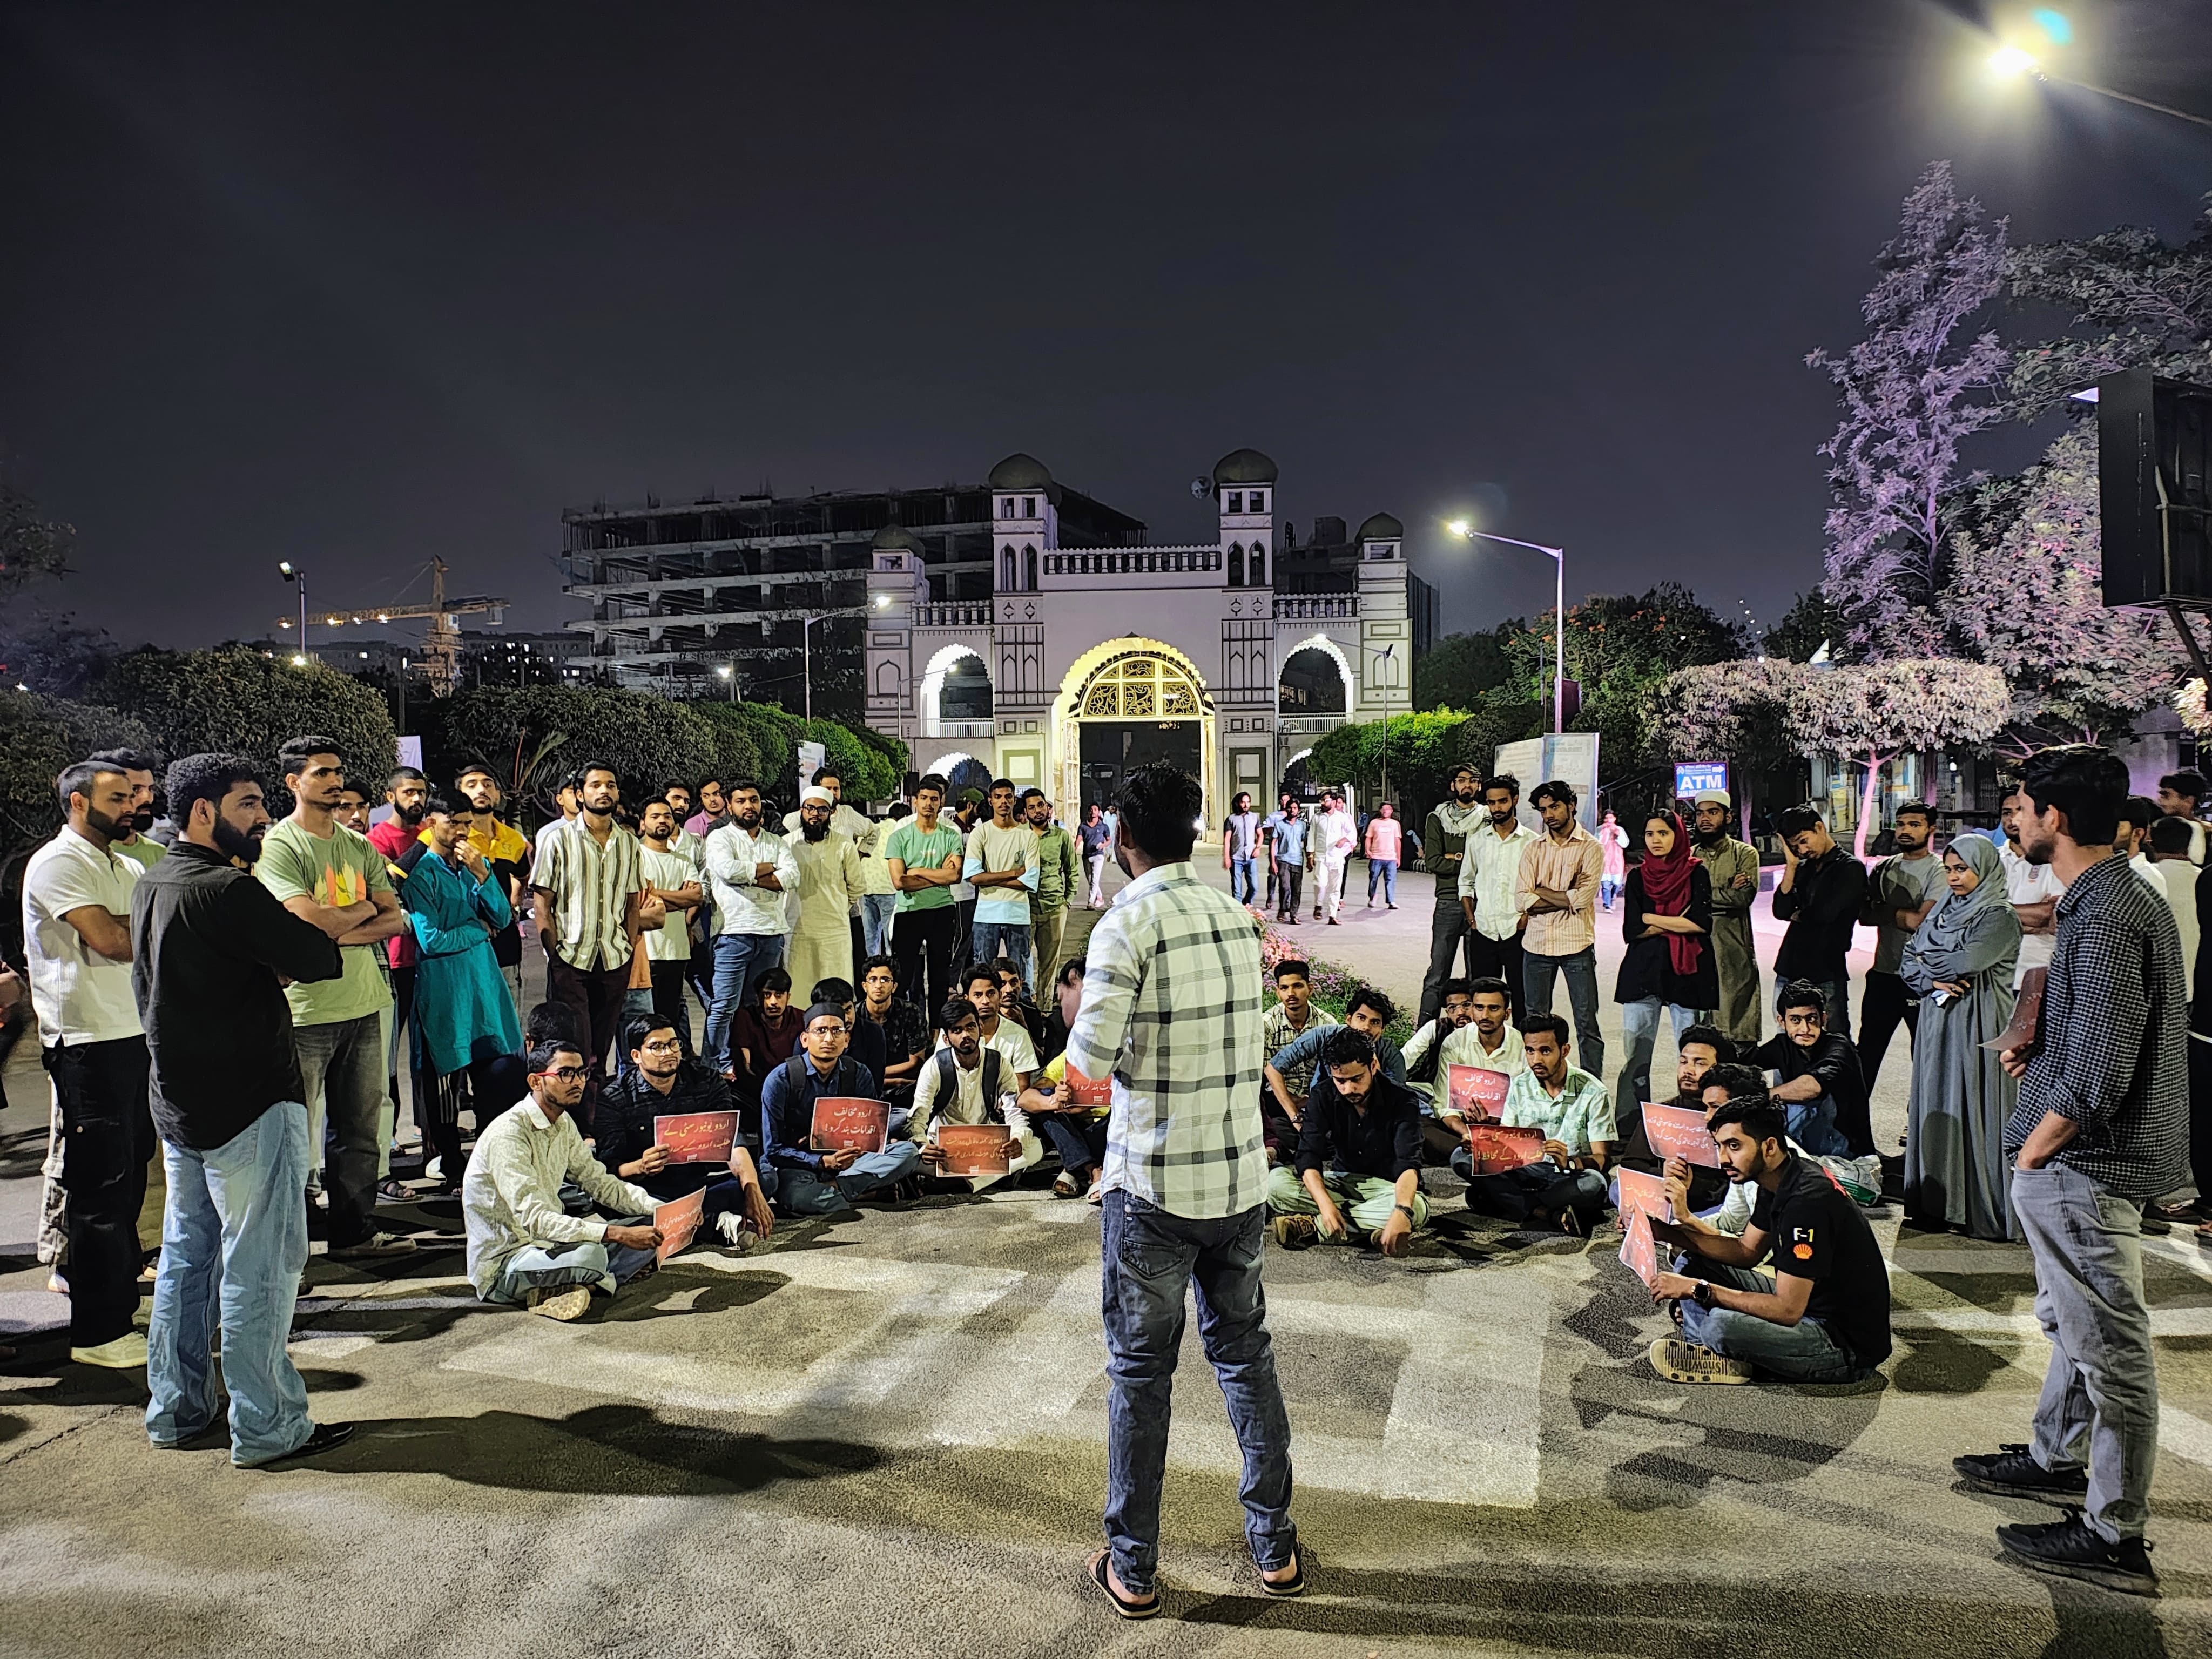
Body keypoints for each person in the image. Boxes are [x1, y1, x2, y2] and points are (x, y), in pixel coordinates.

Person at [1064, 762, 1299, 1615]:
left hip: (1156, 1185)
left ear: (1121, 838)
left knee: (1140, 1374)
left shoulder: (1127, 923)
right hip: (1238, 1177)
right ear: (1197, 833)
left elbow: (1086, 1066)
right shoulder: (1234, 916)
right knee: (1245, 1357)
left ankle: (1133, 1565)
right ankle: (1274, 1548)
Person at [1952, 745, 2186, 1597]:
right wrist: (2043, 1049)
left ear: (2054, 818)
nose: (2014, 820)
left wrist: (2038, 1141)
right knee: (2074, 1327)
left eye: (2020, 808)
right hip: (2084, 1151)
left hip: (2086, 1160)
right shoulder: (2104, 895)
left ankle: (2115, 1533)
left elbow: (2103, 1067)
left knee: (2110, 1350)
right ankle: (2058, 1458)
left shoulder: (2109, 910)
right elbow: (2097, 1029)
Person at [136, 753, 354, 1466]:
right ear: (205, 811)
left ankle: (177, 1409)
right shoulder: (229, 889)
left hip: (180, 1103)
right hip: (251, 1104)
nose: (262, 818)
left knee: (187, 1262)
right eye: (250, 804)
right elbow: (320, 955)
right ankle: (268, 1428)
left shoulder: (154, 883)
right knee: (260, 1267)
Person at [257, 738, 413, 1258]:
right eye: (322, 773)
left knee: (361, 1127)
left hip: (364, 1002)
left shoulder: (358, 845)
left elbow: (396, 918)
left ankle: (355, 1229)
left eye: (338, 772)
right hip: (304, 1011)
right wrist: (358, 914)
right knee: (293, 1132)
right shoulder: (281, 846)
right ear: (293, 783)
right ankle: (294, 1238)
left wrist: (333, 929)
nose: (334, 780)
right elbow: (305, 920)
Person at [23, 759, 154, 1366]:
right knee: (99, 1189)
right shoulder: (57, 863)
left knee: (128, 1182)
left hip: (133, 1035)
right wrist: (148, 925)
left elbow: (140, 930)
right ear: (78, 802)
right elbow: (114, 939)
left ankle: (118, 1303)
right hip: (85, 1043)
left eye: (133, 795)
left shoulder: (123, 863)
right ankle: (98, 1333)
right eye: (118, 797)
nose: (132, 805)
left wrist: (145, 925)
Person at [1645, 1096, 1892, 1386]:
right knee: (1692, 1259)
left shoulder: (1807, 1204)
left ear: (1770, 1146)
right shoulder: (1778, 1178)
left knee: (1720, 1326)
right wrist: (1665, 1232)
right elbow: (1746, 1251)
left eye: (1734, 1146)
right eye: (1719, 1146)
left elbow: (1788, 1311)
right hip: (1810, 1303)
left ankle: (1714, 1347)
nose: (1723, 1158)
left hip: (1841, 1344)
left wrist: (1699, 1290)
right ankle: (1713, 1354)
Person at [461, 1038, 665, 1321]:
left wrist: (665, 1212)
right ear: (536, 1081)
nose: (577, 1082)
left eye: (582, 1073)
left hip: (553, 1245)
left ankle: (580, 1284)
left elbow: (601, 1183)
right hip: (507, 1262)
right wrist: (615, 1234)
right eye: (565, 1074)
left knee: (653, 1229)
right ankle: (597, 1280)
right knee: (590, 1256)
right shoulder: (508, 1134)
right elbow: (536, 1219)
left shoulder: (563, 1122)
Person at [392, 795, 525, 1195]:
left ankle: (492, 1163)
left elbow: (504, 918)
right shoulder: (420, 875)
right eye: (454, 823)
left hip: (485, 990)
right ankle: (453, 1167)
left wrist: (483, 875)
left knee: (497, 1082)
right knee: (446, 1088)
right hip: (445, 992)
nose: (463, 832)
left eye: (467, 824)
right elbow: (431, 940)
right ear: (432, 822)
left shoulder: (470, 868)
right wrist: (478, 932)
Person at [1899, 834, 2022, 1240]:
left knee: (1977, 1106)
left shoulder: (2000, 915)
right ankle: (1937, 1204)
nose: (1953, 878)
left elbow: (1969, 961)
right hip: (1938, 1022)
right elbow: (1906, 961)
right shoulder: (1944, 912)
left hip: (1980, 1024)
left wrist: (1927, 962)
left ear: (1983, 869)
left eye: (1962, 869)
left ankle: (1980, 1208)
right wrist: (1931, 975)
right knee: (1937, 1101)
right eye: (1949, 869)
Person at [529, 761, 645, 1134]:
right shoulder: (558, 839)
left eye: (610, 785)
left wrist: (628, 945)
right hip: (571, 958)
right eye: (595, 785)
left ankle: (590, 1128)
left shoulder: (628, 842)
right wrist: (554, 952)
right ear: (580, 794)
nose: (604, 791)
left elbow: (631, 902)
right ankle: (564, 1126)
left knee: (603, 1046)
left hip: (613, 958)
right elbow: (543, 902)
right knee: (572, 1046)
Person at [594, 1015, 775, 1252]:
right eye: (657, 1047)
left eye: (673, 1044)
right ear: (637, 1056)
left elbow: (733, 1142)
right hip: (649, 1191)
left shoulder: (707, 1081)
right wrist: (641, 1166)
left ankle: (685, 1222)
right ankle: (716, 1224)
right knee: (611, 1204)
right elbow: (610, 1170)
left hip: (699, 1186)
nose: (668, 1052)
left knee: (765, 1179)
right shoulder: (614, 1098)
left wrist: (752, 1189)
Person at [1267, 1026, 1427, 1256]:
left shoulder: (1402, 1100)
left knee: (1417, 1208)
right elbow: (1308, 1155)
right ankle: (1371, 1229)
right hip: (1341, 1181)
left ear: (1373, 1066)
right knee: (1275, 1184)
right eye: (1340, 1080)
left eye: (1356, 1079)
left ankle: (1315, 1228)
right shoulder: (1323, 1095)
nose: (1348, 1088)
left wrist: (1402, 1209)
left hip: (1387, 1188)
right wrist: (1325, 1204)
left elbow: (1409, 1164)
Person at [761, 1001, 922, 1215]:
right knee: (797, 1197)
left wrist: (865, 1147)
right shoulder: (781, 1080)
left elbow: (869, 1132)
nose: (829, 1039)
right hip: (800, 1166)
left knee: (908, 1152)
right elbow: (772, 1150)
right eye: (820, 1031)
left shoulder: (859, 1074)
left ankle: (835, 1191)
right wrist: (821, 1161)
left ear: (846, 1040)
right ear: (805, 1039)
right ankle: (863, 1195)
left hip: (850, 1163)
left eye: (837, 1031)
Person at [1457, 1014, 1612, 1235]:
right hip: (1525, 1169)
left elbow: (1602, 1159)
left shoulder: (1594, 1092)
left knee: (1594, 1184)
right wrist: (1483, 1142)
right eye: (1530, 1051)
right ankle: (1546, 1212)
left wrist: (1569, 1162)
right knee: (1461, 1157)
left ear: (1565, 1050)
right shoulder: (1519, 1085)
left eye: (1545, 1051)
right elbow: (1507, 1144)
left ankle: (1504, 1200)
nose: (1536, 1060)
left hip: (1566, 1175)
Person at [1613, 810, 1716, 1134]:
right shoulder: (1637, 878)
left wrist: (1650, 918)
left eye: (1663, 834)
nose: (1656, 841)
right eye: (1650, 834)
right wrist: (1672, 923)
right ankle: (1632, 1129)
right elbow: (1632, 930)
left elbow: (1700, 924)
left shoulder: (1696, 873)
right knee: (1636, 1058)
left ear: (1678, 836)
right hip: (1643, 973)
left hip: (1689, 973)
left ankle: (1699, 1125)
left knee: (1696, 1059)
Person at [702, 777, 798, 1081]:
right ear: (729, 806)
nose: (749, 807)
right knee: (724, 1005)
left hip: (770, 933)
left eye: (753, 800)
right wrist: (768, 870)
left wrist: (749, 876)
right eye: (741, 801)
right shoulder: (720, 839)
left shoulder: (776, 841)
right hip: (733, 932)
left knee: (755, 1007)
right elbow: (727, 871)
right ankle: (714, 1067)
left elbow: (792, 876)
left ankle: (748, 1065)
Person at [1516, 779, 1605, 1078]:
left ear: (1571, 806)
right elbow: (1521, 900)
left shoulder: (1590, 847)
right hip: (1536, 946)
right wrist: (1564, 897)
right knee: (1534, 1021)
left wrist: (1541, 892)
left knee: (1586, 1022)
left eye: (1554, 806)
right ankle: (1537, 1081)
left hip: (1576, 945)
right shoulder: (1533, 849)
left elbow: (1582, 899)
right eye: (1543, 810)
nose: (1549, 815)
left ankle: (1593, 1084)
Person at [1858, 804, 1944, 1091]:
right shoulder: (1884, 868)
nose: (1906, 830)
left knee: (1924, 1055)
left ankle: (1919, 1122)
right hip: (1883, 973)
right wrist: (1900, 915)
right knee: (1867, 1054)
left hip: (1921, 977)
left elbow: (1920, 921)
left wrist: (1884, 910)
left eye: (1915, 824)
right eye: (1901, 824)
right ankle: (1853, 1126)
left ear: (1930, 829)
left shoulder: (1939, 871)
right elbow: (1864, 915)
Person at [912, 999, 1037, 1191]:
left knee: (1034, 1147)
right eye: (957, 1030)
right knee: (909, 1157)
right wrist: (923, 1147)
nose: (966, 1035)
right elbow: (918, 1116)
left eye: (970, 1026)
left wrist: (1018, 1139)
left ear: (979, 1027)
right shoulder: (935, 1067)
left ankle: (968, 1183)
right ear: (946, 1039)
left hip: (987, 1146)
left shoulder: (998, 1063)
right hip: (946, 1149)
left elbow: (1014, 1110)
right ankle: (991, 1177)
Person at [1771, 806, 1867, 1043]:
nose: (1802, 850)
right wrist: (1791, 866)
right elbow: (1780, 910)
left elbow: (1824, 914)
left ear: (1819, 828)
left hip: (1826, 969)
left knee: (1832, 1043)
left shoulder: (1850, 868)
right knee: (1787, 1043)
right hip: (1789, 968)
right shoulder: (1802, 868)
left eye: (1804, 841)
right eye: (1795, 847)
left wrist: (1801, 914)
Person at [367, 766, 429, 1126]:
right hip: (397, 961)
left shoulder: (429, 833)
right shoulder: (378, 840)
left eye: (421, 792)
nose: (417, 799)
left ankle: (429, 1132)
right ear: (391, 796)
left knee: (428, 1053)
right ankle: (388, 1135)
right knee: (388, 1055)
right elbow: (392, 885)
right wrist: (425, 845)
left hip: (431, 958)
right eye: (408, 792)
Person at [1263, 984, 1406, 1137]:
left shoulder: (1389, 1053)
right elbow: (1273, 1069)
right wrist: (1296, 1118)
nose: (1366, 1027)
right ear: (1349, 1019)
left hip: (1367, 1125)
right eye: (1361, 1018)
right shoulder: (1325, 1035)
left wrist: (1374, 1072)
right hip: (1324, 1116)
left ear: (1382, 1029)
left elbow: (1395, 1101)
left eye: (1375, 1022)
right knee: (1280, 1127)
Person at [1744, 981, 1863, 1159]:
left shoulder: (1839, 1047)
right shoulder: (1782, 1046)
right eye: (1796, 1020)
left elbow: (1811, 1088)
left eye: (1812, 1019)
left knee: (1800, 1106)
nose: (1805, 1029)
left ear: (1823, 1019)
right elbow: (1742, 1064)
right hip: (1805, 1151)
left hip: (1846, 1154)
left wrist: (1763, 1095)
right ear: (1782, 1022)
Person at [453, 760, 533, 1015]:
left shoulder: (512, 838)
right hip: (464, 944)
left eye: (488, 785)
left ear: (498, 795)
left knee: (507, 1018)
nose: (481, 790)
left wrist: (513, 906)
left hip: (506, 946)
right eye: (472, 785)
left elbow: (523, 874)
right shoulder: (449, 837)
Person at [885, 773, 966, 1017]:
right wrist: (937, 875)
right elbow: (900, 881)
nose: (928, 803)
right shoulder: (899, 837)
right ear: (915, 802)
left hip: (942, 910)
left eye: (934, 798)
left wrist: (918, 871)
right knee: (904, 976)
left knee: (940, 976)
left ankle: (937, 1032)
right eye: (923, 798)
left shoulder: (950, 835)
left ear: (941, 802)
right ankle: (901, 1026)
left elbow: (954, 877)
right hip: (908, 912)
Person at [1460, 774, 1536, 1023]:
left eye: (1502, 802)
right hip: (1484, 930)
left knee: (1523, 998)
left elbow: (1539, 886)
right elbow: (1466, 881)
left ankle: (1523, 1055)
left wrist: (1525, 918)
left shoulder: (1532, 842)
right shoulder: (1478, 840)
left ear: (1514, 800)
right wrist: (1472, 918)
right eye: (1491, 803)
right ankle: (1485, 1057)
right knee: (1484, 1002)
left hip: (1518, 932)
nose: (1497, 808)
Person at [1688, 789, 1763, 1046]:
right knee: (1699, 1045)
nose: (1705, 819)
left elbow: (1743, 899)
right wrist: (1726, 891)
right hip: (1695, 954)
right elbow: (1681, 903)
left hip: (1733, 957)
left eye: (1713, 812)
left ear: (1728, 816)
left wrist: (1701, 898)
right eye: (1700, 813)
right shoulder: (1688, 857)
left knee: (1738, 1042)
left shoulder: (1745, 854)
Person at [636, 795, 706, 1047]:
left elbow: (696, 896)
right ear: (643, 823)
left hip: (676, 951)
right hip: (646, 950)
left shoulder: (683, 860)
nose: (662, 821)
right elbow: (638, 898)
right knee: (643, 1021)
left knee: (670, 1018)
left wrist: (656, 894)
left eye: (667, 816)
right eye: (655, 816)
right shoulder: (636, 856)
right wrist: (680, 897)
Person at [784, 785, 866, 999]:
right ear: (801, 811)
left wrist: (839, 907)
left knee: (836, 991)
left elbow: (857, 886)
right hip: (797, 928)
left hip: (835, 932)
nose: (815, 814)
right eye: (810, 808)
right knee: (798, 991)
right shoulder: (786, 844)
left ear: (830, 813)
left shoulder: (844, 845)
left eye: (822, 810)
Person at [1418, 766, 1485, 1026]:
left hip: (1481, 903)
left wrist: (1455, 856)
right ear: (1453, 785)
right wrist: (1467, 859)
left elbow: (1488, 861)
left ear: (1479, 786)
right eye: (1461, 780)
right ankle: (1424, 1034)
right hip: (1448, 901)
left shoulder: (1487, 816)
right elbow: (1434, 861)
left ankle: (1476, 1034)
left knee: (1478, 977)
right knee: (1438, 973)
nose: (1466, 785)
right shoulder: (1438, 817)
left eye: (1472, 780)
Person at [965, 778, 1041, 988]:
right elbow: (973, 877)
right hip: (986, 915)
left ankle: (1022, 1017)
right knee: (982, 977)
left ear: (1014, 799)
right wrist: (1014, 873)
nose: (1003, 802)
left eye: (1008, 797)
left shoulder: (1028, 836)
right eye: (998, 797)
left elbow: (1030, 881)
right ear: (990, 801)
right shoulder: (980, 833)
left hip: (1017, 914)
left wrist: (990, 878)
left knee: (1020, 977)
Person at [1258, 959, 1336, 1159]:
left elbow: (1333, 1074)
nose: (1290, 993)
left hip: (1318, 1104)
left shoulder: (1326, 1024)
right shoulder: (1267, 1025)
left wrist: (1311, 1103)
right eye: (1284, 988)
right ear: (1277, 992)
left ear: (1309, 989)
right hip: (1280, 1103)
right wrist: (1295, 1109)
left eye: (1297, 986)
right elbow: (1266, 1080)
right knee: (1277, 1128)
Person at [1999, 784, 2066, 997]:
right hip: (1997, 977)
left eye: (2021, 811)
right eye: (2006, 813)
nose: (2013, 819)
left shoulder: (2052, 861)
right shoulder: (1991, 861)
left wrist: (1993, 911)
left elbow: (2052, 915)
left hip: (2040, 976)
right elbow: (1972, 915)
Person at [948, 959, 1040, 1088]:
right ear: (967, 999)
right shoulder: (953, 1031)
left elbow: (1022, 1087)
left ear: (999, 994)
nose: (985, 1001)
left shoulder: (1019, 1036)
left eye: (991, 994)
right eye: (978, 995)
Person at [856, 954, 928, 1114]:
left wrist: (877, 1075)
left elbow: (915, 1062)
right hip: (863, 1089)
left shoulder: (911, 1012)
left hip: (904, 1088)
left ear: (894, 986)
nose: (878, 985)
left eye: (885, 980)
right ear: (864, 986)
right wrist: (890, 1080)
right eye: (873, 979)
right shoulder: (854, 1015)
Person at [1023, 788, 1081, 988]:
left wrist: (1068, 901)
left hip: (1055, 907)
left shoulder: (1061, 837)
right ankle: (1024, 1005)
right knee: (1022, 960)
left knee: (1049, 964)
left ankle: (1045, 1009)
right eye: (1032, 807)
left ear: (1047, 807)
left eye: (1041, 805)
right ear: (1026, 811)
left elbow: (1072, 869)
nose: (1038, 811)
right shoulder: (1020, 836)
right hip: (1025, 907)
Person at [2143, 815, 2199, 998]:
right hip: (2199, 982)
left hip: (2157, 984)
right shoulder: (2203, 878)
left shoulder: (2145, 878)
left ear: (2151, 842)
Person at [1311, 789, 1355, 924]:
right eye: (1322, 801)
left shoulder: (1342, 818)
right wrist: (1310, 854)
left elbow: (1352, 832)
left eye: (1326, 800)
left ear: (1334, 802)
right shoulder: (1317, 818)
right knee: (1320, 884)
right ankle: (1318, 905)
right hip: (1321, 857)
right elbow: (1311, 836)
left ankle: (1332, 915)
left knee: (1336, 888)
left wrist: (1345, 840)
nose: (1323, 803)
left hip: (1336, 857)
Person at [1264, 795, 1308, 923]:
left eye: (1295, 808)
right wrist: (1273, 862)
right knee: (1285, 887)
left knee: (1297, 889)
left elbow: (1305, 841)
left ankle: (1294, 914)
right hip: (1283, 859)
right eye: (1290, 808)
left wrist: (1310, 858)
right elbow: (1273, 843)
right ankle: (1283, 909)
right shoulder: (1280, 825)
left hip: (1298, 861)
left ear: (1298, 810)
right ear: (1287, 809)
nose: (1292, 810)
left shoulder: (1302, 826)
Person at [2156, 767, 2207, 865]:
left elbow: (2193, 863)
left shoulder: (2195, 829)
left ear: (2189, 801)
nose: (2160, 800)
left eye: (2166, 795)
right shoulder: (2159, 823)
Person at [1223, 791, 1262, 907]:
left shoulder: (1254, 818)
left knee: (1254, 887)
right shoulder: (1231, 819)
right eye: (1243, 802)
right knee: (1237, 891)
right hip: (1236, 858)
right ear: (1238, 803)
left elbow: (1260, 834)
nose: (1246, 805)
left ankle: (1247, 902)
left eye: (1248, 802)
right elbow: (1227, 840)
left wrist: (1258, 848)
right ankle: (1239, 912)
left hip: (1251, 857)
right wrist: (1226, 858)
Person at [1363, 801, 1402, 909]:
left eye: (1388, 809)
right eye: (1383, 809)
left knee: (1391, 879)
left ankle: (1391, 901)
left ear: (1391, 811)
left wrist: (1398, 857)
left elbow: (1397, 841)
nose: (1385, 811)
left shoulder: (1395, 824)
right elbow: (1368, 838)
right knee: (1373, 878)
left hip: (1391, 857)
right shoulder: (1374, 823)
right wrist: (1368, 850)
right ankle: (1373, 896)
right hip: (1376, 856)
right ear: (1380, 811)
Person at [1078, 802, 1114, 909]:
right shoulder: (1083, 826)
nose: (1093, 812)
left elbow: (1109, 840)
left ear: (1099, 812)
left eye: (1096, 810)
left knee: (1095, 879)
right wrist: (1074, 847)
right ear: (1089, 812)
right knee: (1090, 879)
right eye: (1091, 810)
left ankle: (1091, 901)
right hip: (1086, 855)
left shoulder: (1103, 827)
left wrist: (1103, 845)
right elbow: (1079, 838)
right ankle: (1100, 897)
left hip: (1099, 855)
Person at [1595, 811, 1629, 912]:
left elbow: (1625, 844)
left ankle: (1611, 898)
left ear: (1615, 819)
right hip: (1604, 860)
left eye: (1611, 818)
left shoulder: (1619, 830)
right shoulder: (1600, 830)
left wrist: (1616, 834)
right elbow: (1596, 843)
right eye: (1607, 818)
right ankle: (1607, 905)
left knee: (1616, 884)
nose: (1609, 821)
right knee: (1605, 884)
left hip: (1616, 860)